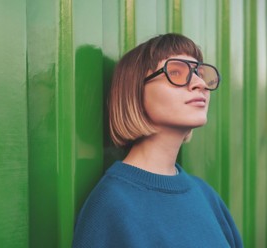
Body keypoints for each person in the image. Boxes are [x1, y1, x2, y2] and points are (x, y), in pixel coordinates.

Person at [72, 33, 243, 248]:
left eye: (199, 73)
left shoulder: (207, 197)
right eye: (175, 73)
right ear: (135, 93)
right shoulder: (110, 206)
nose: (200, 83)